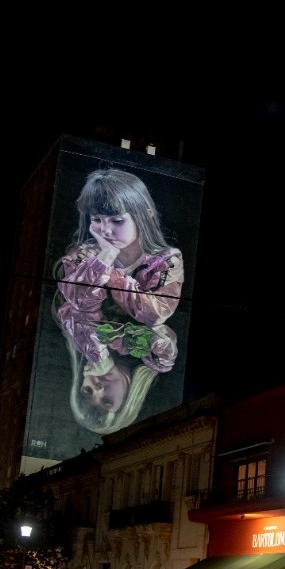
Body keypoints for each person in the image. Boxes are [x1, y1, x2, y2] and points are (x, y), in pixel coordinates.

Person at [53, 168, 184, 435]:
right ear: (128, 401)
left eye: (87, 391)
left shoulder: (167, 260)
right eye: (98, 219)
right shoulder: (158, 357)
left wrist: (106, 268)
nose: (105, 229)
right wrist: (106, 256)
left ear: (143, 215)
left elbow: (152, 312)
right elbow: (80, 300)